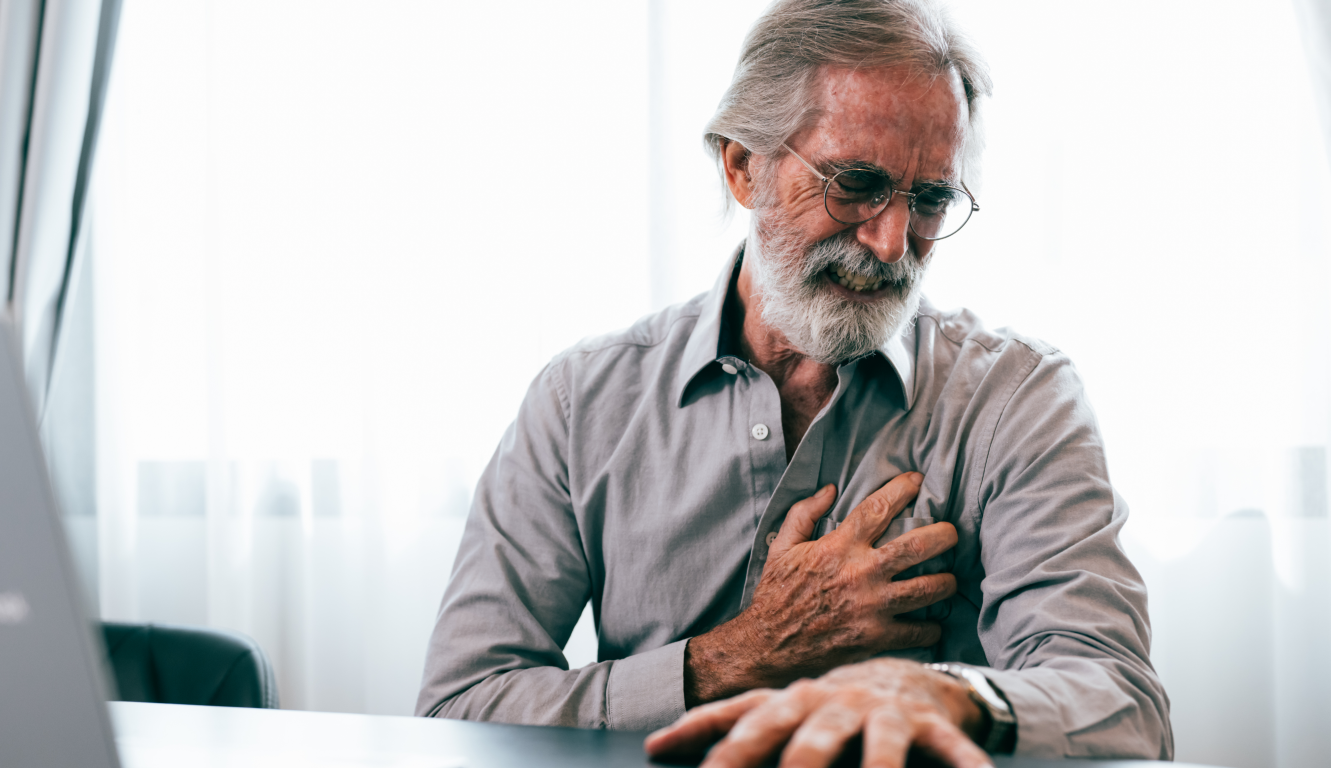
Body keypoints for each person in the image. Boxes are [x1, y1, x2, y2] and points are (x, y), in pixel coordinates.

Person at [416, 1, 1173, 765]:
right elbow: (460, 703)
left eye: (931, 199)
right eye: (857, 183)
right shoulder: (581, 403)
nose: (891, 242)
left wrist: (949, 693)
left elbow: (1122, 705)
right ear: (744, 166)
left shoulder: (1017, 400)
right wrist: (735, 656)